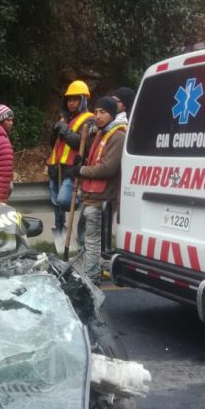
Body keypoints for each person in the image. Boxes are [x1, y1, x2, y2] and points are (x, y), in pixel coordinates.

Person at [76, 96, 127, 285]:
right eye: (96, 112)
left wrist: (80, 171)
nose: (97, 116)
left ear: (112, 114)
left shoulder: (118, 136)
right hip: (90, 195)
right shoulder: (100, 133)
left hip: (102, 198)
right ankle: (95, 269)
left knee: (92, 241)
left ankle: (90, 278)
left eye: (102, 112)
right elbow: (92, 159)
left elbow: (107, 168)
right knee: (85, 237)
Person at [47, 80, 95, 234]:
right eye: (69, 99)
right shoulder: (65, 119)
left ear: (83, 100)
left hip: (71, 169)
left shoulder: (90, 120)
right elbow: (52, 144)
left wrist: (64, 129)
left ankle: (84, 201)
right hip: (56, 166)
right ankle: (60, 230)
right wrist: (55, 131)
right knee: (56, 203)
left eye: (75, 99)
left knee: (63, 200)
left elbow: (79, 143)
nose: (71, 103)